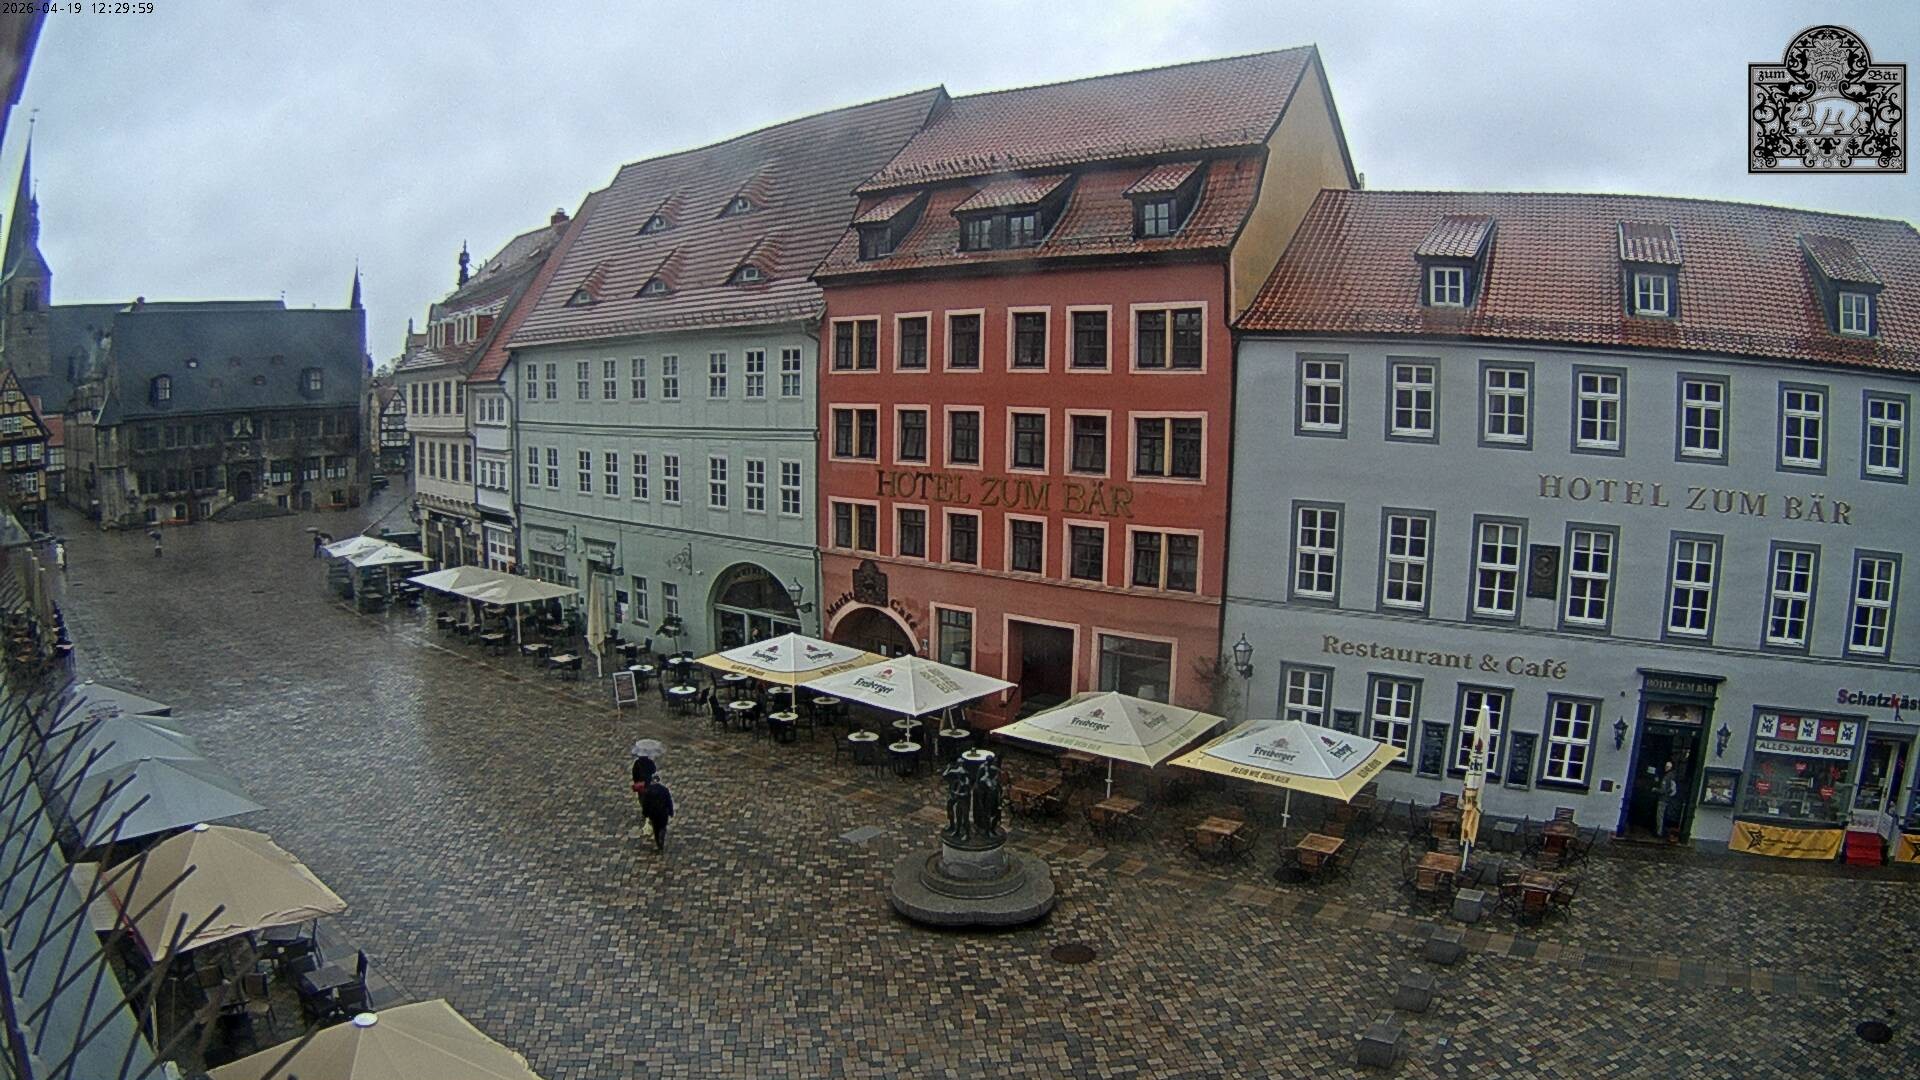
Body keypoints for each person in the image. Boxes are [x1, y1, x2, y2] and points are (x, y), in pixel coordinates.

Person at [639, 776, 674, 851]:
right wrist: (671, 811)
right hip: (663, 812)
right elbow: (669, 801)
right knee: (663, 826)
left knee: (656, 829)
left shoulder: (648, 791)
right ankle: (662, 837)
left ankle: (659, 843)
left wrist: (645, 814)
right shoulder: (664, 789)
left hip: (654, 814)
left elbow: (646, 804)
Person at [1656, 760, 1680, 843]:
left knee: (1660, 816)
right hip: (1669, 800)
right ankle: (1663, 832)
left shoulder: (1667, 777)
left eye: (1667, 767)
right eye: (1666, 766)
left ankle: (1659, 832)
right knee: (1664, 816)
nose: (1666, 768)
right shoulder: (1673, 776)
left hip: (1663, 799)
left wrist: (1655, 790)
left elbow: (1664, 790)